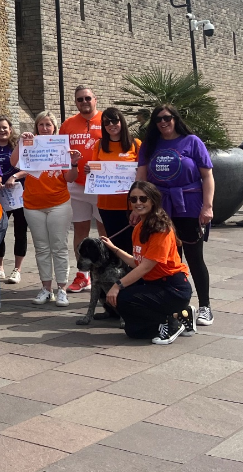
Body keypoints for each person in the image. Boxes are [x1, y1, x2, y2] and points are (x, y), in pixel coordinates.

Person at [136, 103, 216, 327]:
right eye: (158, 119)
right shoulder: (150, 145)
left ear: (175, 118)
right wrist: (136, 207)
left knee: (194, 257)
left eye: (167, 117)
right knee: (168, 260)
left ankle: (205, 306)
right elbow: (141, 178)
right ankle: (177, 307)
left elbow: (208, 177)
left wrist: (207, 206)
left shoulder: (192, 142)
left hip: (188, 205)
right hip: (160, 207)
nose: (163, 122)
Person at [104, 182, 196, 345]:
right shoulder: (140, 227)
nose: (138, 203)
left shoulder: (161, 229)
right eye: (133, 199)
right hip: (156, 286)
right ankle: (179, 314)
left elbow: (146, 267)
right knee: (134, 331)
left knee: (124, 298)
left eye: (143, 198)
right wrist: (114, 249)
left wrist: (117, 285)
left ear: (153, 200)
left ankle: (171, 323)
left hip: (173, 288)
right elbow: (137, 262)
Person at [12, 111, 81, 308]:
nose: (44, 128)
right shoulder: (30, 144)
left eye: (48, 125)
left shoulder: (61, 146)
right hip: (33, 205)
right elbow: (14, 163)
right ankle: (46, 288)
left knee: (59, 247)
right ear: (36, 127)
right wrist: (20, 142)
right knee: (41, 248)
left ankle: (62, 289)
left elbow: (69, 178)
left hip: (58, 203)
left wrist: (74, 163)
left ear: (54, 127)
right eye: (41, 124)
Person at [60, 86, 103, 295]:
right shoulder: (68, 125)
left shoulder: (108, 121)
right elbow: (59, 153)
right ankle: (83, 274)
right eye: (80, 99)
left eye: (88, 98)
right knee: (80, 231)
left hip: (102, 186)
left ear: (95, 99)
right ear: (76, 102)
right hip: (77, 185)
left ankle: (104, 272)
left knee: (105, 232)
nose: (84, 101)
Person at [90, 108, 141, 254]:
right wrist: (90, 170)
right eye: (106, 122)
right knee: (114, 246)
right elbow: (94, 170)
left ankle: (135, 276)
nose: (111, 125)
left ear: (121, 122)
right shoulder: (99, 145)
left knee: (133, 245)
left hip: (131, 206)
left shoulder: (135, 144)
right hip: (107, 205)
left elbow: (143, 174)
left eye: (114, 121)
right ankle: (118, 276)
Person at [0, 116, 27, 284]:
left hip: (18, 194)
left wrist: (14, 177)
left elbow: (29, 168)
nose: (2, 130)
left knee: (20, 231)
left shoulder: (17, 146)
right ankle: (0, 267)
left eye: (5, 127)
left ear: (10, 129)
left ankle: (17, 269)